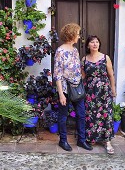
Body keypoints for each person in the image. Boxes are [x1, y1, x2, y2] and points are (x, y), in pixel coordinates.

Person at [53, 23, 93, 152]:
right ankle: (63, 140)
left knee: (81, 115)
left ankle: (81, 140)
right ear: (71, 35)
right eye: (77, 33)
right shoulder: (60, 51)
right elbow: (58, 74)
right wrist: (61, 94)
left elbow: (77, 69)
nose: (79, 36)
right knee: (63, 116)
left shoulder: (75, 50)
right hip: (65, 89)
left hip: (77, 87)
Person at [81, 35, 116, 154]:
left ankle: (107, 141)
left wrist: (113, 89)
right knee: (91, 114)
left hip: (104, 91)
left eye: (97, 42)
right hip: (90, 92)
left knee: (106, 114)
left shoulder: (105, 58)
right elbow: (82, 77)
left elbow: (111, 75)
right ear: (88, 45)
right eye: (92, 42)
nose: (95, 44)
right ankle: (92, 138)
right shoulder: (84, 59)